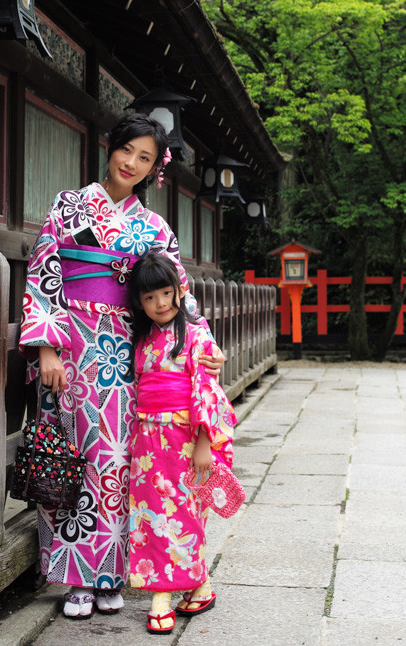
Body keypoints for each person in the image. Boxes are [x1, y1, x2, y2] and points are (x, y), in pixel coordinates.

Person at [17, 112, 223, 619]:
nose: (131, 163)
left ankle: (112, 573)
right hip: (71, 348)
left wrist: (204, 341)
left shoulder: (153, 226)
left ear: (155, 169)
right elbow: (44, 271)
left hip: (128, 354)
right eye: (126, 150)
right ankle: (74, 577)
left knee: (121, 462)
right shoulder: (68, 207)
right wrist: (45, 348)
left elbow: (177, 292)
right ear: (110, 148)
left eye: (145, 158)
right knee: (76, 458)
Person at [125, 251, 236, 635]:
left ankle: (161, 597)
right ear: (139, 303)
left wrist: (205, 441)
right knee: (148, 515)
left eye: (166, 293)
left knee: (183, 513)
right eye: (149, 298)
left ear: (179, 290)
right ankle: (200, 585)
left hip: (185, 437)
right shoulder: (143, 337)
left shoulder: (196, 332)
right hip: (147, 438)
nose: (160, 304)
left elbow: (206, 388)